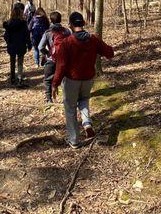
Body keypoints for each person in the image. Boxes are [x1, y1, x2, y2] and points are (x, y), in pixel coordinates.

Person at [52, 12, 114, 149]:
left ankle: (74, 140)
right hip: (88, 79)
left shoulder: (66, 43)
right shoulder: (94, 39)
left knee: (70, 108)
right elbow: (110, 53)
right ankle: (86, 123)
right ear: (84, 23)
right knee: (84, 100)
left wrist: (55, 84)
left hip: (71, 80)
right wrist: (107, 49)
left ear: (71, 25)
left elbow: (61, 66)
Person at [38, 11, 71, 104]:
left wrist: (48, 54)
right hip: (64, 60)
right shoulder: (67, 31)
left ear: (51, 20)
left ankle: (49, 100)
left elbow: (40, 47)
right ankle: (66, 99)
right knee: (65, 78)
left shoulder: (48, 32)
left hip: (51, 60)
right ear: (60, 20)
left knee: (48, 79)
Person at [3, 6, 32, 88]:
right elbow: (27, 35)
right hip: (21, 45)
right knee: (20, 62)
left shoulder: (8, 24)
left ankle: (12, 78)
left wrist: (8, 41)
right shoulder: (23, 23)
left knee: (12, 62)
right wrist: (29, 44)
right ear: (20, 14)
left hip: (12, 45)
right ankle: (19, 78)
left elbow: (6, 36)